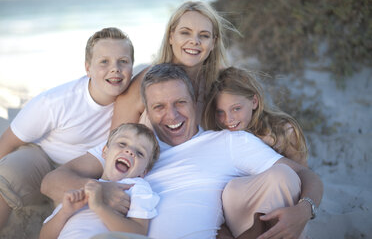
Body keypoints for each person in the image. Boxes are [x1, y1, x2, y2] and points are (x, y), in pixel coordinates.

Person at [42, 63, 323, 239]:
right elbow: (51, 181)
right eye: (159, 107)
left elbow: (303, 175)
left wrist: (305, 209)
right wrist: (98, 190)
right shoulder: (134, 146)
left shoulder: (228, 143)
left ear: (196, 104)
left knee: (283, 176)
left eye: (180, 103)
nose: (172, 115)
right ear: (148, 111)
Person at [0, 27, 134, 230]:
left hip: (86, 171)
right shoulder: (55, 102)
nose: (115, 68)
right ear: (88, 68)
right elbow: (8, 141)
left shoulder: (132, 99)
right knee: (8, 174)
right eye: (104, 62)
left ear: (132, 67)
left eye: (123, 61)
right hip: (44, 159)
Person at [110, 0, 237, 129]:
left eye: (204, 35)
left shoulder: (222, 82)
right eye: (185, 33)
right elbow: (115, 142)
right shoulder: (143, 83)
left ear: (213, 43)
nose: (194, 41)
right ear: (171, 36)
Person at [39, 123, 160, 239]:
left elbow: (138, 233)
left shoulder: (136, 187)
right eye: (122, 144)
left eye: (139, 153)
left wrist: (99, 207)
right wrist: (64, 212)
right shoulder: (85, 186)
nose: (130, 151)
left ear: (144, 172)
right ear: (105, 151)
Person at [203, 66, 308, 167]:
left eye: (236, 109)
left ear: (254, 102)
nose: (228, 119)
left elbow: (304, 175)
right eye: (220, 112)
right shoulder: (217, 136)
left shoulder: (283, 131)